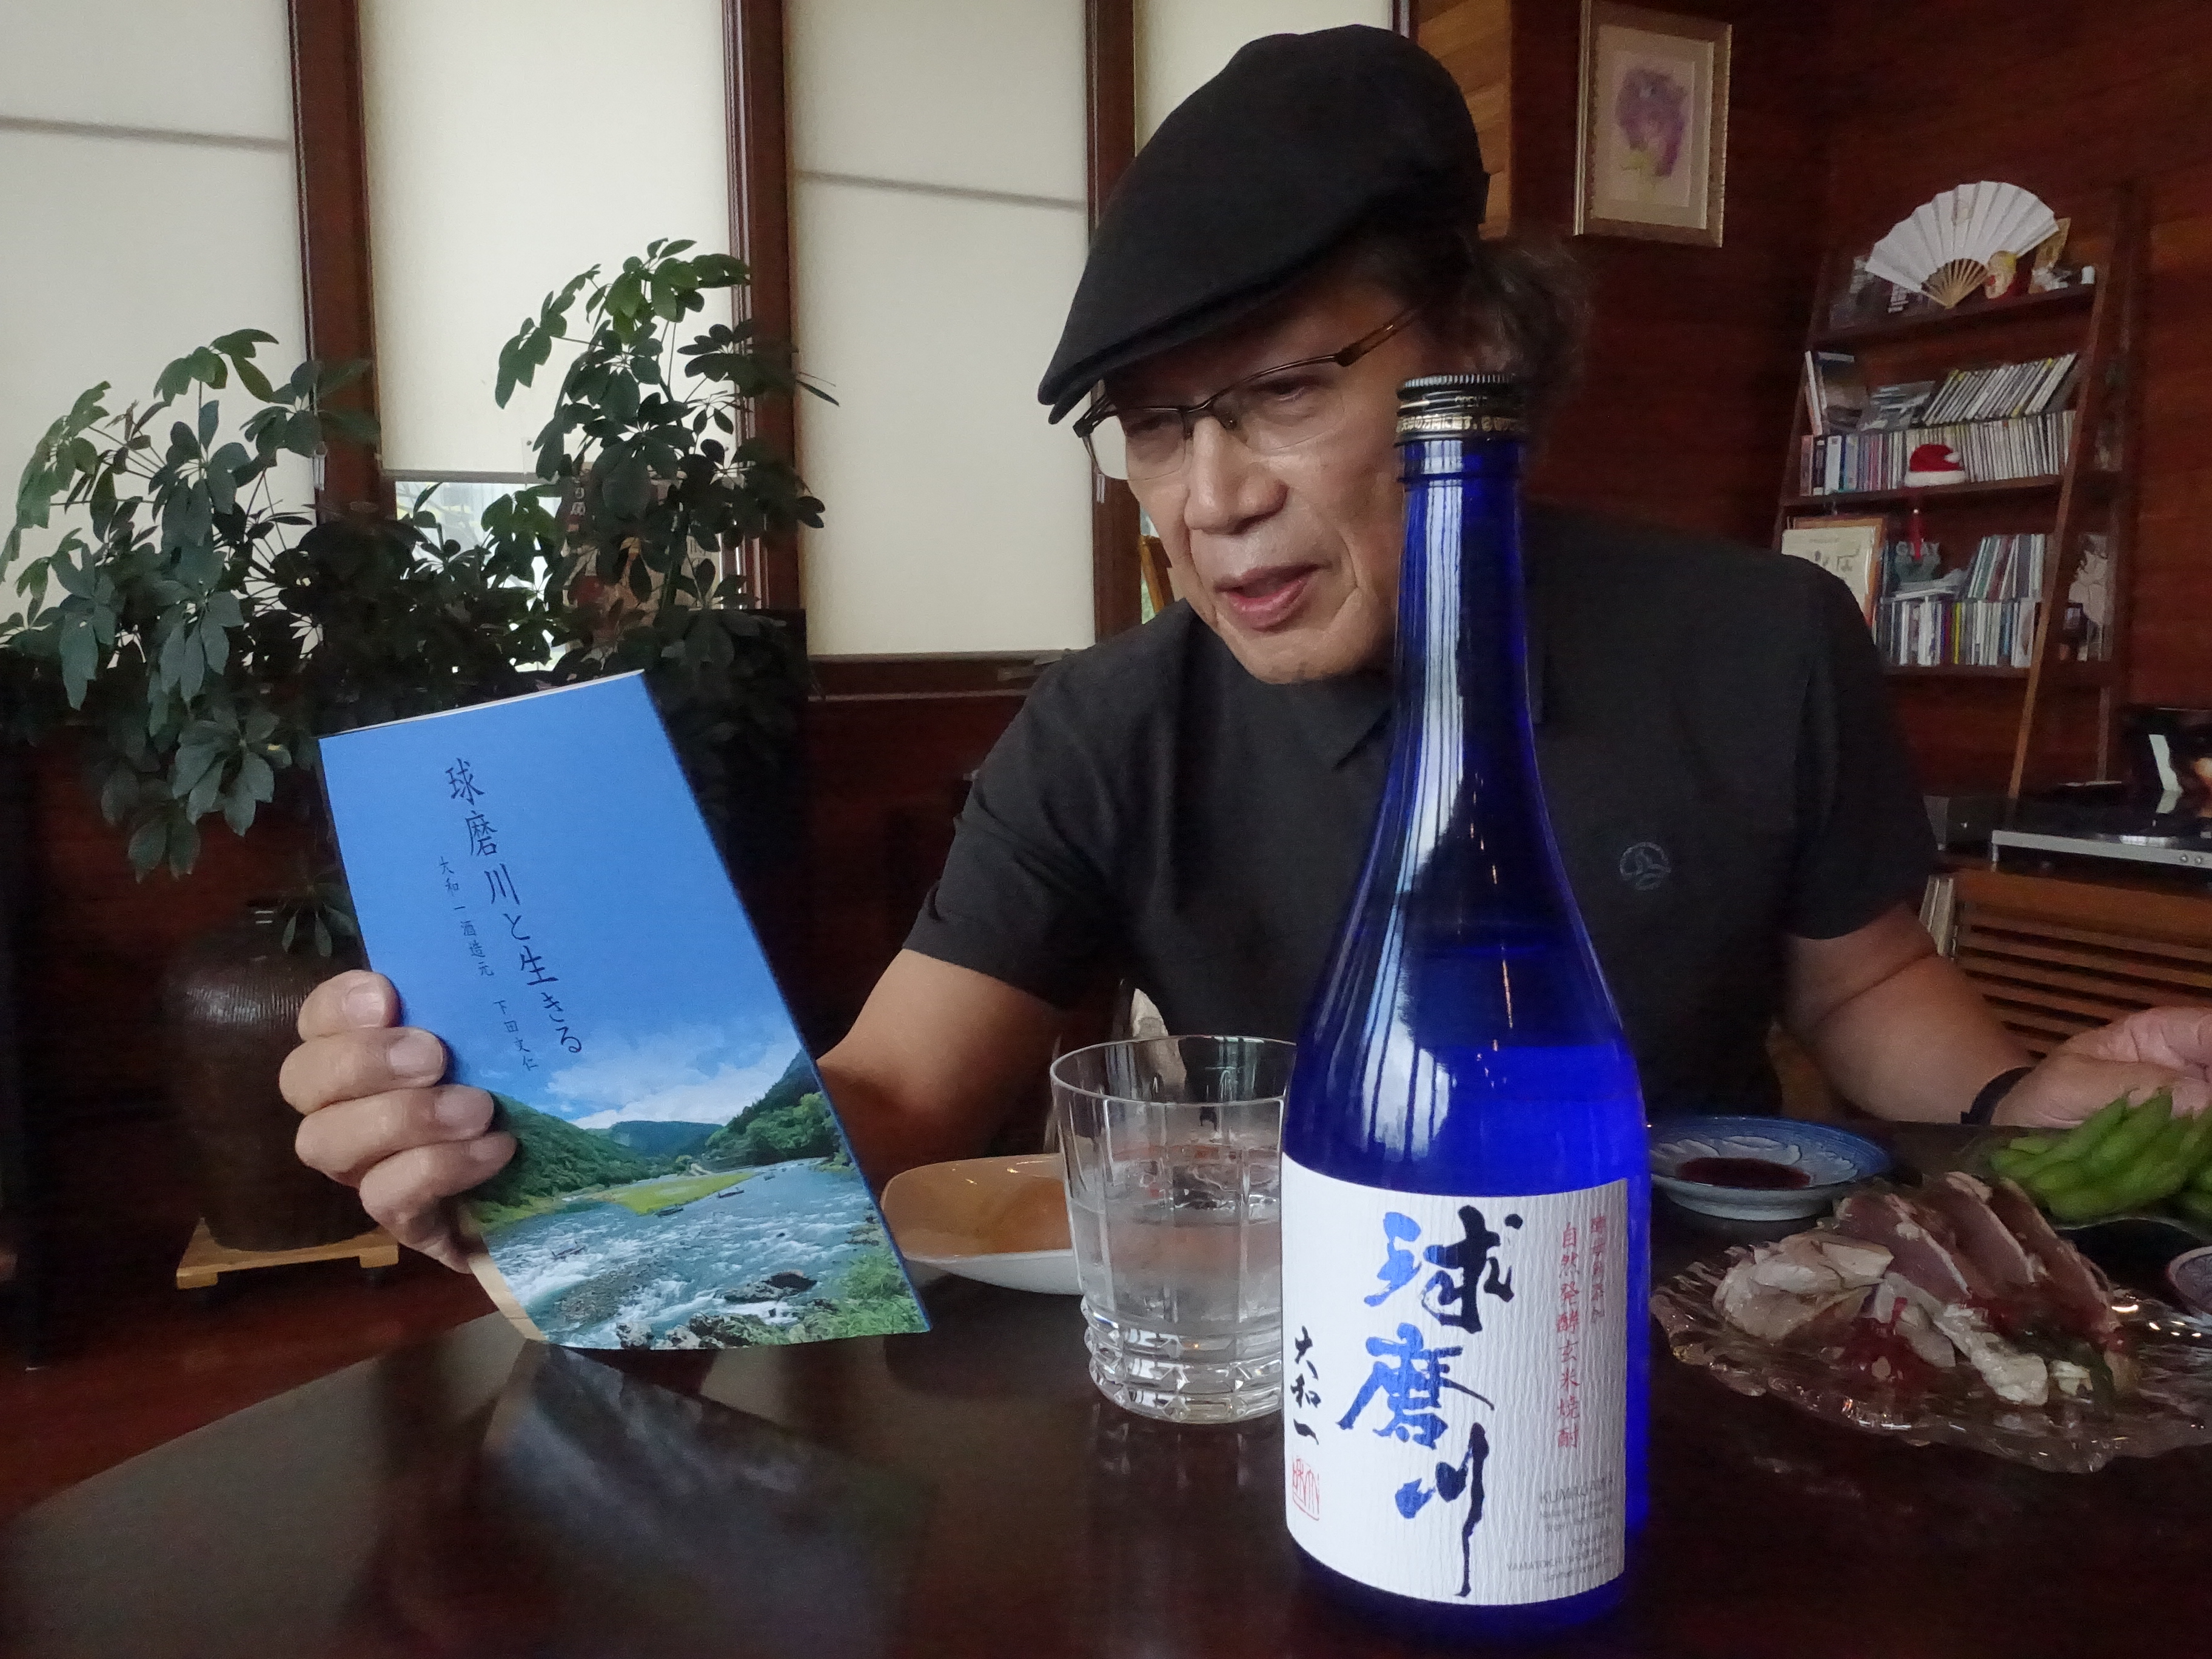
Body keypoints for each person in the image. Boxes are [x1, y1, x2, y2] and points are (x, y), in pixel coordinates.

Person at [282, 27, 2212, 1272]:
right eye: (1151, 427)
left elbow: (1869, 982)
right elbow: (901, 1096)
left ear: (1473, 360)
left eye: (1283, 391)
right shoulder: (1108, 730)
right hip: (1274, 1363)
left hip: (1699, 1334)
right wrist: (572, 1173)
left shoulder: (1761, 637)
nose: (1207, 499)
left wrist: (2019, 1105)